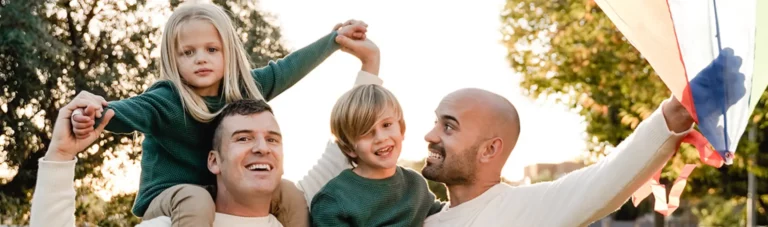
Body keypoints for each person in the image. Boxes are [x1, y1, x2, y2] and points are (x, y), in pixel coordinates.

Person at [67, 2, 368, 226]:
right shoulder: (167, 100)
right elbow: (127, 112)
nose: (201, 59)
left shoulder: (243, 89)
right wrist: (94, 114)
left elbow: (288, 68)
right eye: (189, 52)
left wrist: (334, 41)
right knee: (195, 200)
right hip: (170, 195)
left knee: (287, 193)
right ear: (174, 59)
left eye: (212, 49)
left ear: (228, 52)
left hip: (220, 190)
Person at [420, 51, 745, 226]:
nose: (430, 135)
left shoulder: (523, 212)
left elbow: (609, 177)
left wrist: (678, 112)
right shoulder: (416, 214)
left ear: (490, 150)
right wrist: (371, 67)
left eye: (449, 126)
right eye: (436, 122)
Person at [309, 84, 443, 226]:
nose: (380, 138)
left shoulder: (415, 184)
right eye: (366, 132)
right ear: (349, 148)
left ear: (401, 129)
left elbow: (448, 217)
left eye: (386, 125)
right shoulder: (333, 200)